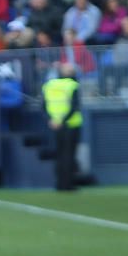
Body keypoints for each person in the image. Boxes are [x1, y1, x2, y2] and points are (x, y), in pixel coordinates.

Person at [42, 63, 81, 191]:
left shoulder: (49, 85)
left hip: (54, 125)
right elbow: (74, 106)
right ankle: (68, 184)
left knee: (59, 154)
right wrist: (63, 120)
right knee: (69, 155)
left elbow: (43, 106)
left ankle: (59, 183)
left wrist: (52, 120)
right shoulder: (72, 85)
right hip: (70, 124)